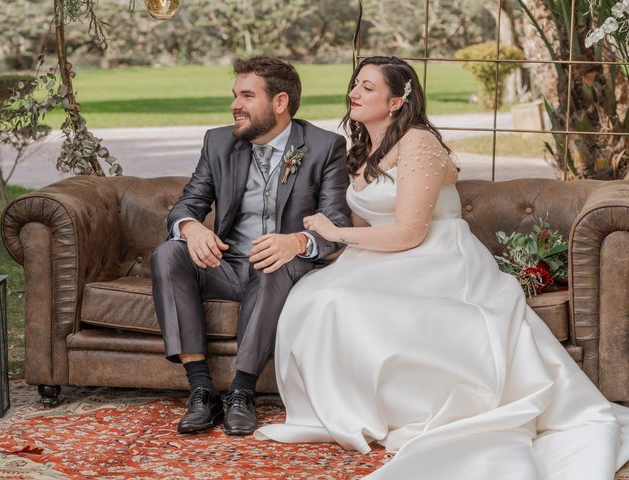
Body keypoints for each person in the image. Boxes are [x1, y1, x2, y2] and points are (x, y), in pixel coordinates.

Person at [255, 56, 629, 478]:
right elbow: (365, 227)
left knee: (338, 300)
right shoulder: (360, 150)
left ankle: (408, 408)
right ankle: (354, 411)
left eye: (367, 87)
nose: (353, 93)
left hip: (436, 256)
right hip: (381, 257)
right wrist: (312, 245)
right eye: (355, 84)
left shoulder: (418, 143)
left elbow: (410, 232)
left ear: (396, 102)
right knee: (314, 295)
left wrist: (334, 233)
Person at [150, 56, 351, 436]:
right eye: (234, 95)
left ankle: (243, 392)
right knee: (169, 252)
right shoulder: (219, 142)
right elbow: (187, 204)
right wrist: (192, 228)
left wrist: (295, 242)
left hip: (281, 269)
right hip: (225, 265)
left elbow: (337, 224)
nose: (234, 105)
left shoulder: (324, 147)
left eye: (246, 95)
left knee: (269, 261)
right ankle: (202, 391)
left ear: (280, 102)